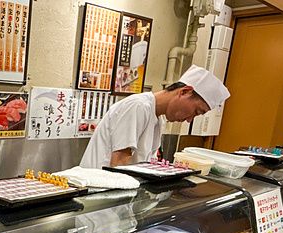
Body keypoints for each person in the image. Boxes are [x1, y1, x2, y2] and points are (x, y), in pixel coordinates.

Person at [80, 65, 230, 169]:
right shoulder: (138, 106)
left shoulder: (158, 119)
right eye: (196, 111)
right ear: (185, 92)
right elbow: (119, 162)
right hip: (100, 201)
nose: (190, 119)